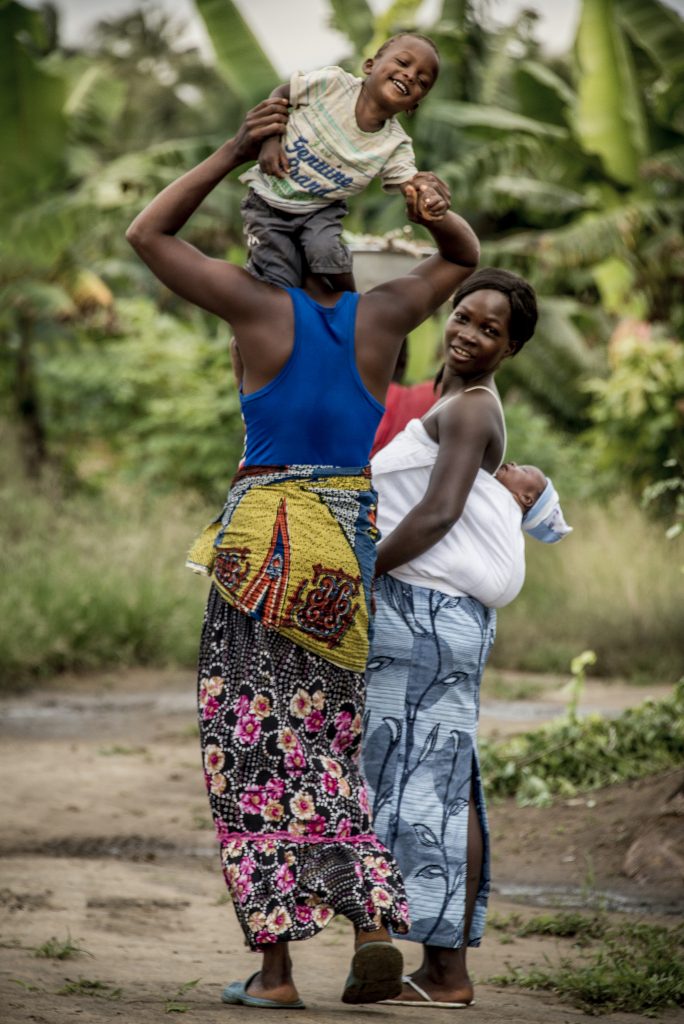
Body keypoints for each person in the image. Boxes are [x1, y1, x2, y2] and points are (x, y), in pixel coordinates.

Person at [125, 98, 480, 1009]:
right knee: (324, 744)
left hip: (265, 548)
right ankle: (367, 921)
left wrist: (234, 149)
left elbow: (147, 231)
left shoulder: (251, 304)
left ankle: (277, 974)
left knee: (251, 750)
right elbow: (463, 260)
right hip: (344, 550)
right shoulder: (387, 313)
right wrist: (429, 205)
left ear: (269, 247)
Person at [362, 268, 552, 1009]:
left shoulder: (471, 410)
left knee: (435, 790)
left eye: (489, 329)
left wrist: (362, 572)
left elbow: (438, 514)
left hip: (432, 617)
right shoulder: (453, 404)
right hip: (427, 617)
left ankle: (447, 973)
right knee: (434, 783)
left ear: (512, 348)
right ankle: (439, 965)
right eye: (464, 317)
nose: (469, 334)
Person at [240, 33, 447, 291]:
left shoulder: (395, 144)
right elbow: (282, 93)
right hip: (268, 200)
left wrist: (427, 195)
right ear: (370, 66)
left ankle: (354, 306)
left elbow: (410, 182)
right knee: (277, 278)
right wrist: (271, 141)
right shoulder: (333, 84)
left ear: (414, 104)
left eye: (422, 80)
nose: (410, 75)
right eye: (403, 63)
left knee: (327, 254)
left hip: (320, 210)